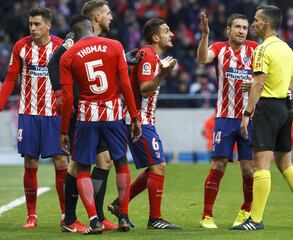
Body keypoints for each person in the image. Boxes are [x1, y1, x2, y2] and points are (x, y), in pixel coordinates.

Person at [48, 0, 141, 232]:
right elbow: (53, 63)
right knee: (78, 165)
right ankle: (69, 219)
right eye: (108, 14)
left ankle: (97, 216)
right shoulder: (72, 38)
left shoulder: (104, 45)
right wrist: (62, 97)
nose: (112, 18)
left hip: (91, 112)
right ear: (96, 18)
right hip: (80, 110)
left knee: (104, 160)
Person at [232, 5, 293, 230]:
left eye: (256, 20)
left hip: (267, 108)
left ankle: (256, 220)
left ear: (266, 24)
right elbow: (289, 84)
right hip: (285, 107)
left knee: (260, 165)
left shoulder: (262, 49)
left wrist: (247, 114)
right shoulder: (287, 50)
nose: (253, 24)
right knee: (285, 163)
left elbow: (260, 84)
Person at [107, 18, 181, 230]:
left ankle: (118, 204)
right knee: (159, 166)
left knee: (153, 167)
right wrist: (163, 73)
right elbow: (146, 88)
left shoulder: (149, 55)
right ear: (156, 37)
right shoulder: (148, 55)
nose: (172, 34)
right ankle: (155, 219)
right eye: (167, 31)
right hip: (139, 120)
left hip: (142, 119)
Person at [0, 7, 67, 228]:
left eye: (37, 24)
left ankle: (66, 213)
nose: (33, 28)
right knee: (30, 161)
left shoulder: (60, 47)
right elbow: (10, 79)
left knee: (60, 161)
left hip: (54, 113)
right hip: (28, 112)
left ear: (49, 25)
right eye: (30, 24)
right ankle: (32, 215)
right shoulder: (21, 46)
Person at [197, 12, 258, 229]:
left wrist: (255, 84)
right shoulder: (219, 47)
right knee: (219, 164)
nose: (242, 31)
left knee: (248, 169)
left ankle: (246, 210)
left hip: (249, 118)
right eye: (238, 27)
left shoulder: (255, 49)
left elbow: (267, 76)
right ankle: (207, 215)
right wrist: (204, 34)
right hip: (224, 117)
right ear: (228, 30)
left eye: (244, 27)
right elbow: (203, 59)